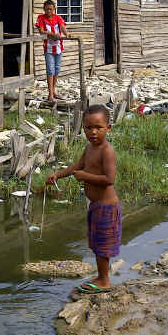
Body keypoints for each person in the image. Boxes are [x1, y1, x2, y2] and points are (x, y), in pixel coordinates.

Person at [46, 104, 121, 293]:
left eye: (98, 128)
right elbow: (76, 166)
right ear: (83, 128)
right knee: (96, 243)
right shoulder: (89, 148)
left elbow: (109, 180)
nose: (93, 132)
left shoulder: (107, 151)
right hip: (96, 205)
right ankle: (101, 276)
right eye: (89, 128)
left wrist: (85, 176)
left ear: (108, 128)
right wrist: (58, 175)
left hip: (107, 207)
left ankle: (104, 281)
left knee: (103, 245)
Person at [35, 0, 70, 103]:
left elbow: (62, 27)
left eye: (50, 9)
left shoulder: (58, 18)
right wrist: (52, 34)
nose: (48, 11)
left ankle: (53, 91)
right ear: (44, 9)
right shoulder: (41, 18)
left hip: (59, 47)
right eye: (47, 9)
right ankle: (50, 94)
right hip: (48, 48)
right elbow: (41, 31)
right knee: (50, 70)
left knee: (57, 69)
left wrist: (66, 34)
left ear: (54, 9)